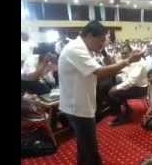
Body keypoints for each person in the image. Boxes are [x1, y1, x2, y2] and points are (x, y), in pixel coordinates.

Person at [58, 21, 143, 165]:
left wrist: (110, 58)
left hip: (79, 103)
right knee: (90, 149)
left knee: (84, 146)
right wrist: (128, 60)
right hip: (78, 107)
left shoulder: (83, 48)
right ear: (90, 35)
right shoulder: (76, 49)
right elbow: (99, 72)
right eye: (102, 40)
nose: (103, 44)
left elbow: (102, 68)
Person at [108, 44, 148, 126]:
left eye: (125, 53)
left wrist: (116, 88)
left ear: (131, 53)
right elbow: (126, 70)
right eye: (122, 53)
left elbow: (131, 81)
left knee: (112, 93)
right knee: (115, 85)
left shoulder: (139, 63)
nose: (123, 55)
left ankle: (121, 117)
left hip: (141, 89)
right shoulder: (130, 61)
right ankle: (127, 109)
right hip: (135, 86)